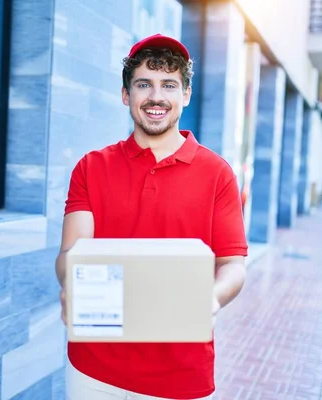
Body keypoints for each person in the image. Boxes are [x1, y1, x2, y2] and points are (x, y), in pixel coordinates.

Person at [55, 33, 248, 400]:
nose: (156, 97)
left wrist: (212, 298)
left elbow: (233, 265)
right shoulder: (91, 167)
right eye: (144, 84)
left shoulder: (217, 173)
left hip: (180, 376)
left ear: (185, 95)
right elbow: (70, 253)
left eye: (169, 85)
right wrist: (72, 280)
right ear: (127, 94)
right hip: (93, 369)